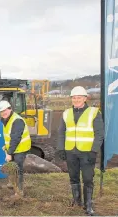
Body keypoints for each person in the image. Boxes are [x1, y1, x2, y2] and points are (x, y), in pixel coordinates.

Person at [56, 86, 104, 216]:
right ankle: (77, 201)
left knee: (88, 179)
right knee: (73, 177)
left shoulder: (94, 112)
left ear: (85, 98)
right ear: (71, 99)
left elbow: (99, 134)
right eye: (74, 98)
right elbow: (61, 132)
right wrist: (61, 148)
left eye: (79, 97)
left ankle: (88, 205)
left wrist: (94, 151)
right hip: (71, 151)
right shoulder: (66, 113)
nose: (76, 100)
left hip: (87, 152)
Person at [0, 100, 31, 197]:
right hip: (13, 148)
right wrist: (7, 146)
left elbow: (16, 138)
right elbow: (9, 136)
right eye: (1, 111)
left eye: (5, 110)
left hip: (20, 149)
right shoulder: (6, 119)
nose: (3, 113)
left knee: (17, 169)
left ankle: (19, 192)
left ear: (10, 109)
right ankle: (12, 184)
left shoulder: (17, 120)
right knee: (12, 167)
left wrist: (9, 153)